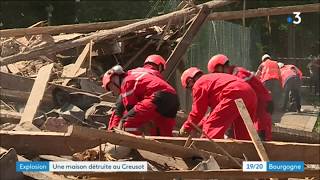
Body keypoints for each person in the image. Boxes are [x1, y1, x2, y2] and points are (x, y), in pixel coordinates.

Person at [179, 67, 257, 140]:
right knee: (243, 133)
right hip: (250, 93)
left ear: (190, 81)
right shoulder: (212, 82)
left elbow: (197, 113)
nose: (191, 92)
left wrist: (186, 128)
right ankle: (245, 153)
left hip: (234, 92)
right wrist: (198, 126)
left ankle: (207, 152)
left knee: (211, 128)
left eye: (189, 88)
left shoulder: (199, 84)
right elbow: (213, 113)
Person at [102, 63, 179, 136]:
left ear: (115, 80)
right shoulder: (136, 74)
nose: (113, 92)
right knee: (162, 132)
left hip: (158, 97)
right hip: (173, 98)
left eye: (111, 87)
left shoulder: (126, 83)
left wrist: (117, 127)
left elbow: (131, 109)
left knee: (126, 122)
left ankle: (133, 146)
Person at [207, 54, 272, 140]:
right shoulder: (234, 74)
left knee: (262, 133)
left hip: (262, 105)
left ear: (220, 68)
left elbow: (237, 98)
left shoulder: (239, 75)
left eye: (217, 73)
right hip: (258, 103)